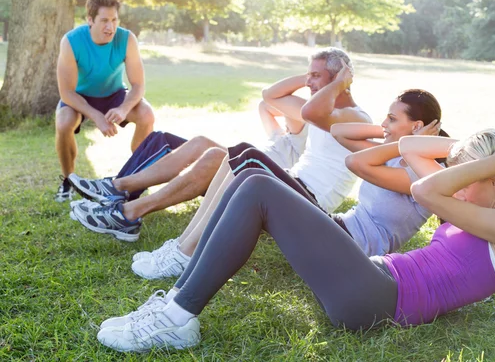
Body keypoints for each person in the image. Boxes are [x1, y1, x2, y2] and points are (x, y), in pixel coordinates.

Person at [95, 128, 495, 352]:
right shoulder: (479, 205)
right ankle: (177, 296)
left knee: (260, 188)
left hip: (378, 300)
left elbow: (425, 189)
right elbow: (409, 147)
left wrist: (489, 163)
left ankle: (175, 318)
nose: (457, 188)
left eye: (471, 178)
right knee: (250, 173)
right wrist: (476, 151)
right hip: (371, 278)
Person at [130, 89, 445, 280]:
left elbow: (355, 161)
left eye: (391, 118)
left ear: (416, 126)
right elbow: (341, 133)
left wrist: (407, 143)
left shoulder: (423, 173)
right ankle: (184, 248)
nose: (384, 125)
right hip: (337, 228)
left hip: (350, 248)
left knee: (250, 159)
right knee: (241, 160)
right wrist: (397, 136)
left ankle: (184, 254)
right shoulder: (394, 157)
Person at [69, 47, 370, 245]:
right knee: (213, 153)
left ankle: (125, 208)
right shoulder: (323, 112)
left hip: (308, 202)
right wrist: (311, 78)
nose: (310, 82)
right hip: (293, 186)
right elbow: (270, 96)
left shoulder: (349, 116)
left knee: (215, 154)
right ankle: (125, 205)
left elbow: (309, 113)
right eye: (310, 76)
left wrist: (338, 82)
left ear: (340, 79)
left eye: (316, 76)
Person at [67, 100, 308, 241]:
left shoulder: (300, 139)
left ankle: (118, 194)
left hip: (252, 177)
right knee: (170, 139)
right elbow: (266, 104)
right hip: (243, 168)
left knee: (200, 147)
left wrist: (313, 85)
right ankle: (117, 187)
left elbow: (275, 98)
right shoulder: (280, 136)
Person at [55, 0, 155, 202]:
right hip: (80, 97)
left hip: (114, 94)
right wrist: (97, 117)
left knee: (147, 115)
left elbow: (137, 85)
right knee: (64, 124)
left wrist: (123, 108)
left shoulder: (127, 39)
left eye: (114, 20)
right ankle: (68, 180)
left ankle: (138, 177)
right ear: (90, 19)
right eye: (104, 21)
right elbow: (67, 92)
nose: (110, 27)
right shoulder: (71, 41)